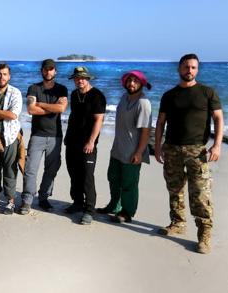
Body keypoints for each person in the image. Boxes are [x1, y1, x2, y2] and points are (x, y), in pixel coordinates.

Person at [154, 54, 223, 254]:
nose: (189, 70)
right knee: (174, 189)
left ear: (197, 70)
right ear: (179, 69)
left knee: (200, 193)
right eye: (186, 67)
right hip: (172, 149)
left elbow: (218, 119)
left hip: (197, 151)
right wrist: (158, 146)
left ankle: (204, 235)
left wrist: (217, 145)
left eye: (193, 67)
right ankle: (177, 223)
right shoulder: (169, 95)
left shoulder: (207, 92)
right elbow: (160, 123)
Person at [96, 70, 152, 223]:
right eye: (129, 80)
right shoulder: (124, 97)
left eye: (135, 81)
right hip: (118, 148)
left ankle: (127, 212)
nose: (132, 83)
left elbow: (146, 131)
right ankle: (114, 205)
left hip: (132, 151)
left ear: (141, 83)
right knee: (113, 178)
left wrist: (139, 152)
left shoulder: (143, 103)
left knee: (129, 184)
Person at [18, 59, 68, 215]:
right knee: (30, 169)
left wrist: (42, 104)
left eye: (51, 69)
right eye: (46, 69)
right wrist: (51, 108)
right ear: (42, 71)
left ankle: (44, 198)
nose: (48, 72)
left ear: (55, 71)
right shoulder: (34, 88)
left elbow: (61, 108)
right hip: (37, 135)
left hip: (55, 136)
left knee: (51, 170)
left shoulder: (62, 89)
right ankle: (27, 200)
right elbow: (31, 110)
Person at [64, 66, 106, 225]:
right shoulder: (74, 94)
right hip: (72, 141)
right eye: (76, 78)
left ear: (88, 79)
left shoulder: (97, 96)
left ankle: (89, 210)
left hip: (88, 143)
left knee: (87, 176)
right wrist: (68, 136)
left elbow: (98, 120)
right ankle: (77, 202)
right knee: (73, 173)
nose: (79, 80)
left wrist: (91, 141)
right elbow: (73, 117)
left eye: (82, 77)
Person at [0, 63, 23, 214]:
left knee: (10, 169)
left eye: (5, 74)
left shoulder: (15, 93)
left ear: (9, 76)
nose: (2, 77)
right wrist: (1, 113)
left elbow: (12, 115)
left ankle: (10, 201)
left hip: (9, 137)